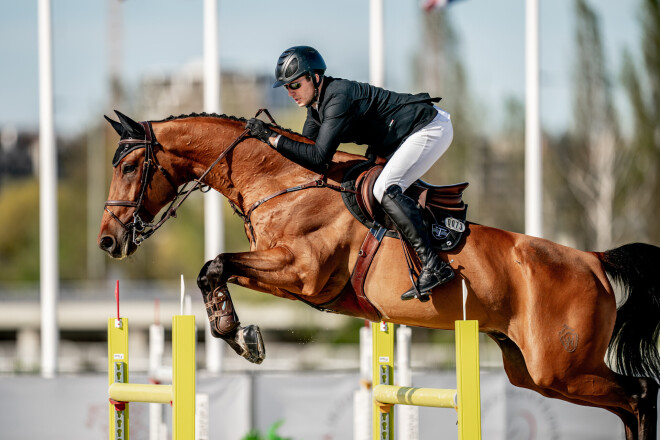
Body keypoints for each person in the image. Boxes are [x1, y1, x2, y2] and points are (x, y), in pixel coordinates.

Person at [246, 45, 454, 301]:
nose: (290, 92)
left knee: (384, 189)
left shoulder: (338, 97)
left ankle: (433, 265)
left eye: (295, 85)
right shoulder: (316, 109)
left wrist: (272, 137)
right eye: (286, 87)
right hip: (401, 138)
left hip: (429, 127)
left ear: (315, 77)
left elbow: (319, 157)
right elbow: (306, 160)